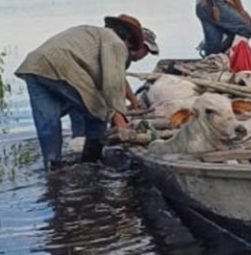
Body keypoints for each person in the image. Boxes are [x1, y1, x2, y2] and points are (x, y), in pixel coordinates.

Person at [16, 14, 158, 168]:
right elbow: (112, 83)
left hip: (34, 65)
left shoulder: (95, 34)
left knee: (48, 124)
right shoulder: (115, 43)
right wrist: (118, 118)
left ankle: (53, 167)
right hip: (61, 65)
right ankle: (92, 162)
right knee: (100, 112)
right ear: (129, 39)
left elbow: (113, 80)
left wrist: (126, 106)